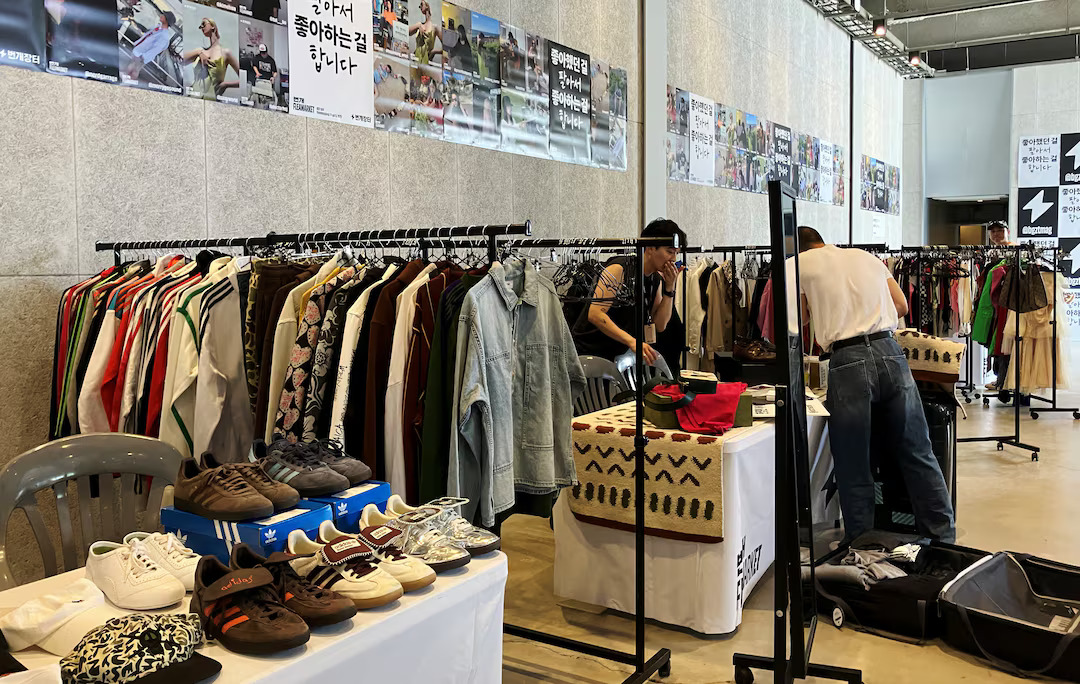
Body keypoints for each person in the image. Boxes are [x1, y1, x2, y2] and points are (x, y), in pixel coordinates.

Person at [796, 226, 955, 542]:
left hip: (848, 359)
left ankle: (863, 544)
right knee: (918, 450)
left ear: (797, 248)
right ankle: (943, 539)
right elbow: (901, 306)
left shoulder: (800, 265)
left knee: (853, 459)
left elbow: (798, 319)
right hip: (891, 352)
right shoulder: (865, 257)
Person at [572, 219, 683, 365]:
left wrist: (670, 288)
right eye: (669, 252)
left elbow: (660, 325)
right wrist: (632, 342)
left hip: (618, 356)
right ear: (649, 248)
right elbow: (595, 314)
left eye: (676, 253)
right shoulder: (619, 268)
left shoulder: (655, 280)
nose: (673, 259)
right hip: (590, 354)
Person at [184, 17, 240, 100]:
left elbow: (244, 79)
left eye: (203, 24)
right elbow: (182, 60)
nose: (202, 28)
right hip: (192, 98)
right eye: (200, 27)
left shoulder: (225, 53)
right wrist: (199, 53)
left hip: (211, 101)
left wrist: (226, 85)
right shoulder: (200, 51)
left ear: (213, 26)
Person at [124, 10, 175, 82]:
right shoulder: (158, 28)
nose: (161, 15)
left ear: (166, 20)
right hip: (139, 50)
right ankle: (125, 78)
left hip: (142, 55)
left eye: (163, 15)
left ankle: (128, 82)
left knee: (135, 69)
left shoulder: (164, 36)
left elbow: (155, 50)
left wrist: (143, 57)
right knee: (131, 65)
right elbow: (146, 34)